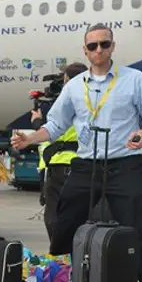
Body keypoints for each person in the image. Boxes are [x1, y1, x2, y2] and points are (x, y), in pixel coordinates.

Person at [11, 23, 142, 282]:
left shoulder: (134, 80)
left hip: (125, 164)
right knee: (64, 225)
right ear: (85, 51)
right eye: (93, 46)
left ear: (113, 46)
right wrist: (29, 138)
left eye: (104, 44)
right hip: (87, 165)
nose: (99, 50)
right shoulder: (75, 86)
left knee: (137, 232)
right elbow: (56, 125)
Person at [33, 62, 88, 241]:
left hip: (62, 163)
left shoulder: (69, 101)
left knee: (54, 217)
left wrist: (36, 122)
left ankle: (63, 257)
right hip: (81, 165)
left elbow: (52, 130)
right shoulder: (91, 98)